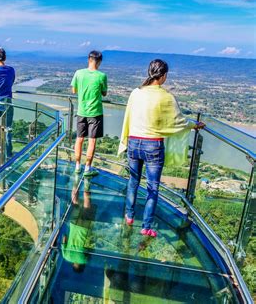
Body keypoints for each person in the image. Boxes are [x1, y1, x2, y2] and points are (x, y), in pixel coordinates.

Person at [118, 59, 205, 237]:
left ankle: (129, 215)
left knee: (133, 182)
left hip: (134, 142)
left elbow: (128, 116)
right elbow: (178, 121)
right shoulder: (166, 97)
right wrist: (194, 125)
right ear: (163, 75)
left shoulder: (135, 92)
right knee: (152, 188)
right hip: (153, 146)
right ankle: (146, 226)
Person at [71, 50, 107, 177]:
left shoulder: (79, 73)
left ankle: (77, 166)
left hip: (81, 111)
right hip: (95, 113)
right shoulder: (101, 76)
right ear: (100, 62)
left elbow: (74, 90)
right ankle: (87, 169)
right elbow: (104, 93)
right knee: (92, 141)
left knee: (79, 139)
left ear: (89, 59)